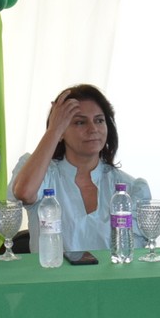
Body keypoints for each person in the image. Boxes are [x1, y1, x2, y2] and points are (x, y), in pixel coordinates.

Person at [9, 85, 150, 252]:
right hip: (53, 276)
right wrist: (54, 130)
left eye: (99, 120)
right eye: (80, 122)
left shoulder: (129, 188)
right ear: (61, 130)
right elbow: (24, 193)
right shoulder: (44, 174)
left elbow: (134, 255)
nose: (93, 129)